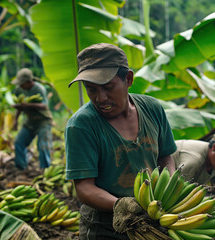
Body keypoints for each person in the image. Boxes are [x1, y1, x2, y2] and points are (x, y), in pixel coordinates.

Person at [65, 43, 177, 239]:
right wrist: (120, 205)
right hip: (105, 227)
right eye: (91, 90)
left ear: (129, 79)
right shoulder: (81, 125)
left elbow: (165, 156)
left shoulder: (153, 109)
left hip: (152, 219)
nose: (100, 98)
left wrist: (169, 186)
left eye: (108, 88)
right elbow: (84, 188)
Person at [11, 68, 53, 170]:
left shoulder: (39, 89)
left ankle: (45, 169)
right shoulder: (19, 90)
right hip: (30, 120)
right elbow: (20, 106)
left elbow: (44, 106)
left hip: (43, 120)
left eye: (22, 83)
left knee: (43, 145)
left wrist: (28, 105)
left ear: (29, 82)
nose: (20, 85)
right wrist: (16, 120)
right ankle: (21, 168)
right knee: (19, 142)